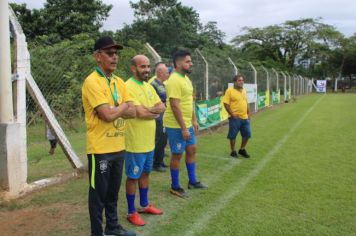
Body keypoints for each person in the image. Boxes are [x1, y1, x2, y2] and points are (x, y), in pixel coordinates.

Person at [82, 36, 136, 236]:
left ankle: (112, 228)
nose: (115, 57)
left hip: (118, 146)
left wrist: (116, 108)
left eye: (116, 54)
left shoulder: (119, 81)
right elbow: (106, 116)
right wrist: (122, 106)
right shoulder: (92, 81)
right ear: (98, 56)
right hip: (100, 150)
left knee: (113, 193)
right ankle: (97, 233)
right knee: (98, 196)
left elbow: (132, 112)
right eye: (109, 53)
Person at [125, 55, 166, 226]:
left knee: (146, 173)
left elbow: (162, 106)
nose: (147, 70)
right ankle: (131, 211)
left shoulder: (148, 86)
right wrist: (152, 112)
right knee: (133, 177)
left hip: (149, 142)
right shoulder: (127, 86)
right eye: (143, 66)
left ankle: (143, 205)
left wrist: (148, 110)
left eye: (148, 66)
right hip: (135, 143)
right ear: (133, 68)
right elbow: (138, 113)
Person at [163, 50, 207, 199]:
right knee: (177, 154)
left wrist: (193, 120)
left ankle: (192, 181)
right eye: (188, 61)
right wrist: (183, 128)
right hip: (176, 126)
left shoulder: (186, 78)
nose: (191, 63)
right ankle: (175, 186)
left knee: (192, 150)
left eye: (190, 61)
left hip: (187, 123)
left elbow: (189, 101)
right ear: (178, 63)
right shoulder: (174, 79)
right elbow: (175, 105)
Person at [223, 74, 251, 158]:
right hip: (235, 118)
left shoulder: (244, 90)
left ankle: (242, 149)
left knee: (247, 134)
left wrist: (248, 114)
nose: (241, 82)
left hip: (245, 117)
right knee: (233, 135)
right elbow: (226, 103)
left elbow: (246, 103)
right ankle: (233, 151)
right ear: (234, 82)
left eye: (242, 80)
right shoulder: (229, 91)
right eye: (239, 80)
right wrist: (232, 114)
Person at [150, 62, 170, 172]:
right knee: (159, 139)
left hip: (165, 116)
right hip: (158, 117)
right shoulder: (153, 84)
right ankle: (155, 164)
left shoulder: (163, 84)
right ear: (160, 73)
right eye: (166, 72)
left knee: (163, 139)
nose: (168, 74)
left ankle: (160, 161)